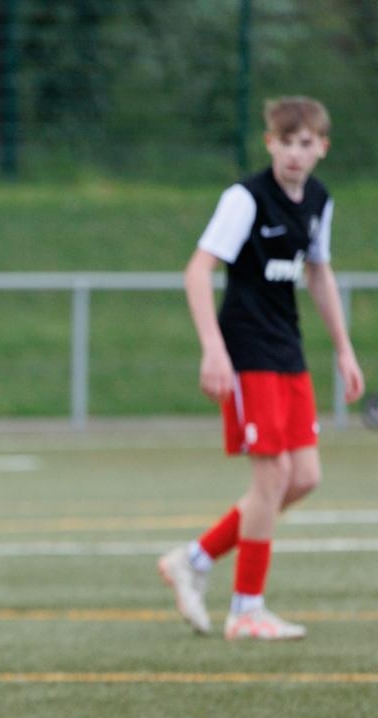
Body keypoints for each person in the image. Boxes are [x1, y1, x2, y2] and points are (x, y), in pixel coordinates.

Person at [159, 96, 364, 641]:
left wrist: (344, 349)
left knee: (305, 477)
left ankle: (194, 559)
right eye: (285, 142)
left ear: (322, 147)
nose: (295, 153)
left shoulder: (318, 201)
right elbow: (197, 271)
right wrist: (213, 348)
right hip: (247, 350)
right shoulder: (245, 199)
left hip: (287, 348)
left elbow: (318, 273)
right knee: (271, 477)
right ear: (270, 143)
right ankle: (246, 610)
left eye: (305, 143)